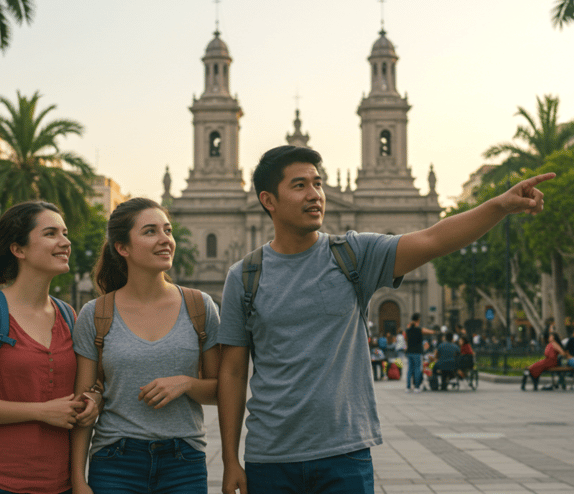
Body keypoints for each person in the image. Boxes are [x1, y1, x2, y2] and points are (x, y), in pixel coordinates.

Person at [217, 145, 553, 494]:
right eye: (299, 185)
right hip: (270, 460)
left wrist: (499, 205)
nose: (315, 194)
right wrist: (230, 460)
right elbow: (233, 371)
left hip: (344, 456)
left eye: (318, 184)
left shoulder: (353, 255)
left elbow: (433, 238)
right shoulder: (244, 276)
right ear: (268, 200)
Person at [0, 201, 99, 494]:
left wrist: (93, 400)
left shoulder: (69, 315)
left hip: (60, 484)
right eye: (51, 233)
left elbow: (82, 386)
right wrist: (40, 411)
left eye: (65, 233)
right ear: (19, 249)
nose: (65, 242)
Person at [70, 197, 220, 494]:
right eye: (150, 231)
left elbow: (220, 390)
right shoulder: (96, 314)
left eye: (168, 230)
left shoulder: (200, 307)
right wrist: (77, 478)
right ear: (122, 248)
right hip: (115, 462)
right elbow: (82, 403)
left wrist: (186, 383)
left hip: (184, 462)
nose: (165, 240)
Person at [405, 313, 435, 394]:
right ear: (418, 319)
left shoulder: (408, 329)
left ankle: (408, 387)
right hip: (417, 352)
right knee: (417, 369)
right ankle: (416, 387)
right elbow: (429, 332)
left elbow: (405, 338)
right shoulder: (419, 329)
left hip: (409, 351)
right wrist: (434, 331)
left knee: (410, 369)